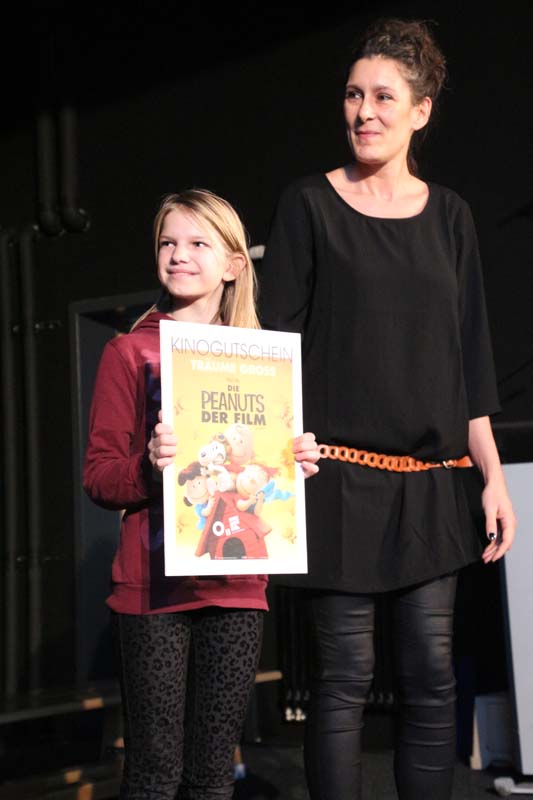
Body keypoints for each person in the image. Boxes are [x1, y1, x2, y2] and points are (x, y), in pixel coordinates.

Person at [258, 18, 516, 800]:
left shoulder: (450, 217)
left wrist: (492, 477)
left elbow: (469, 359)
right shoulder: (307, 204)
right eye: (352, 95)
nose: (362, 112)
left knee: (431, 675)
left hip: (431, 484)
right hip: (336, 481)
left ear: (420, 111)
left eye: (381, 97)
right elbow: (273, 347)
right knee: (342, 677)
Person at [83, 188, 319, 800]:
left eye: (196, 243)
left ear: (235, 263)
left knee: (213, 776)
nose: (178, 254)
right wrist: (149, 466)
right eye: (167, 242)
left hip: (237, 585)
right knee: (155, 776)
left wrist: (291, 463)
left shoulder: (262, 362)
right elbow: (99, 477)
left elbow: (261, 475)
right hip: (154, 591)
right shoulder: (129, 352)